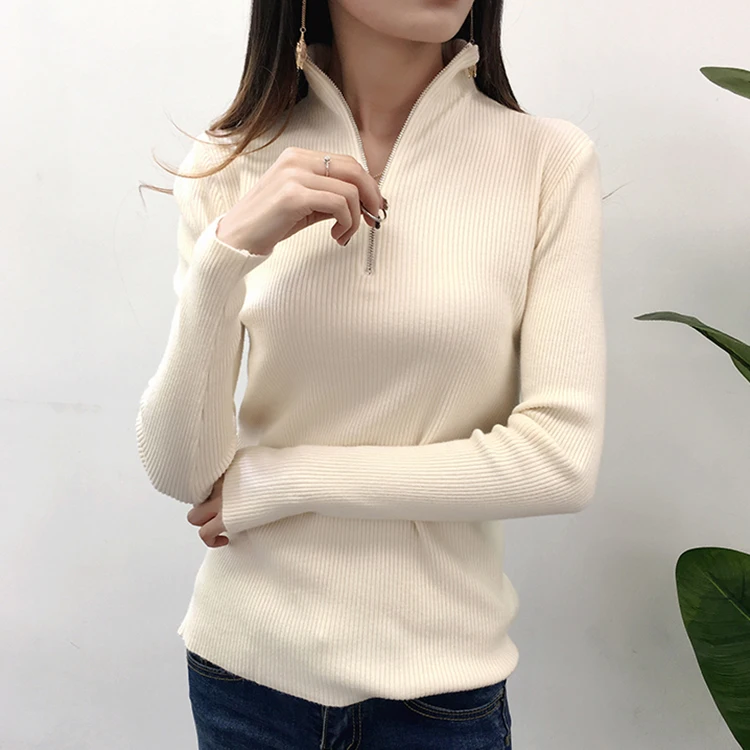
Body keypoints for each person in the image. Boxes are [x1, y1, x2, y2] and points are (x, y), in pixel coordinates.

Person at [135, 0, 606, 747]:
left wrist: (284, 481)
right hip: (244, 681)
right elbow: (182, 471)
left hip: (441, 693)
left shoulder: (548, 161)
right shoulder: (229, 164)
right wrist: (229, 255)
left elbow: (559, 462)